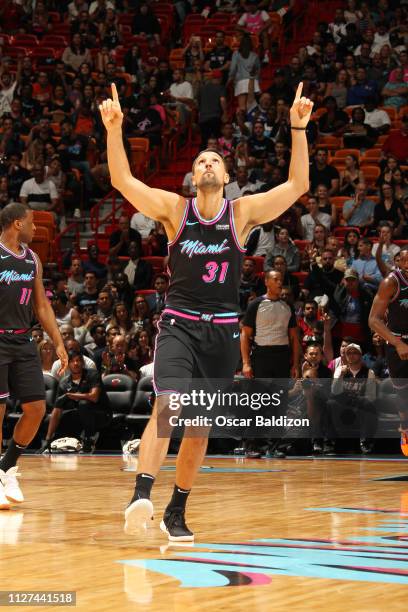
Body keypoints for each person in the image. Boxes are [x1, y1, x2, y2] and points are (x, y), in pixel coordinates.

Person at [99, 82, 313, 541]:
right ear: (193, 177)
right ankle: (141, 493)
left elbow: (298, 185)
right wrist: (114, 130)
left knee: (198, 431)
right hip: (179, 325)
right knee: (168, 403)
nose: (207, 164)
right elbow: (123, 181)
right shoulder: (176, 210)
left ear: (225, 172)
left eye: (214, 160)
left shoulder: (242, 213)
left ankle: (176, 510)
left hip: (221, 334)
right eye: (201, 162)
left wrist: (298, 127)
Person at [0, 203, 68, 509]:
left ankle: (6, 467)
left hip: (23, 341)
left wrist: (58, 342)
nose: (36, 228)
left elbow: (41, 306)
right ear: (16, 224)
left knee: (37, 408)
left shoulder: (32, 259)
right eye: (31, 223)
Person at [240, 269, 301, 457]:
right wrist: (246, 363)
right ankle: (252, 445)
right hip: (262, 356)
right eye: (276, 279)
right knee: (258, 402)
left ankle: (274, 446)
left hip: (282, 356)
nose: (279, 282)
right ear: (266, 282)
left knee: (279, 404)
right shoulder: (256, 304)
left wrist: (296, 364)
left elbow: (294, 337)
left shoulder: (287, 306)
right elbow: (245, 335)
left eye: (281, 279)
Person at [369, 248, 408, 456]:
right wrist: (397, 343)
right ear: (400, 262)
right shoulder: (391, 282)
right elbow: (373, 320)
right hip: (399, 342)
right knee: (403, 393)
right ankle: (405, 430)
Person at [42, 350, 111, 454]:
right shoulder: (64, 383)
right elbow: (56, 411)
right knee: (57, 416)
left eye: (78, 360)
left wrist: (71, 395)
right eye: (73, 361)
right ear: (68, 364)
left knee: (84, 404)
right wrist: (48, 438)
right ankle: (52, 443)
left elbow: (94, 397)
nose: (76, 363)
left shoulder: (93, 374)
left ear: (82, 363)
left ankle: (89, 439)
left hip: (101, 414)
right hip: (79, 415)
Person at [328, 343, 377, 454]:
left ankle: (364, 442)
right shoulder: (339, 370)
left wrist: (358, 400)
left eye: (354, 353)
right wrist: (341, 376)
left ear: (360, 355)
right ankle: (329, 443)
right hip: (343, 404)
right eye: (348, 353)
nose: (351, 355)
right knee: (330, 403)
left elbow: (371, 396)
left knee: (368, 404)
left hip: (360, 405)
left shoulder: (369, 372)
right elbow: (334, 391)